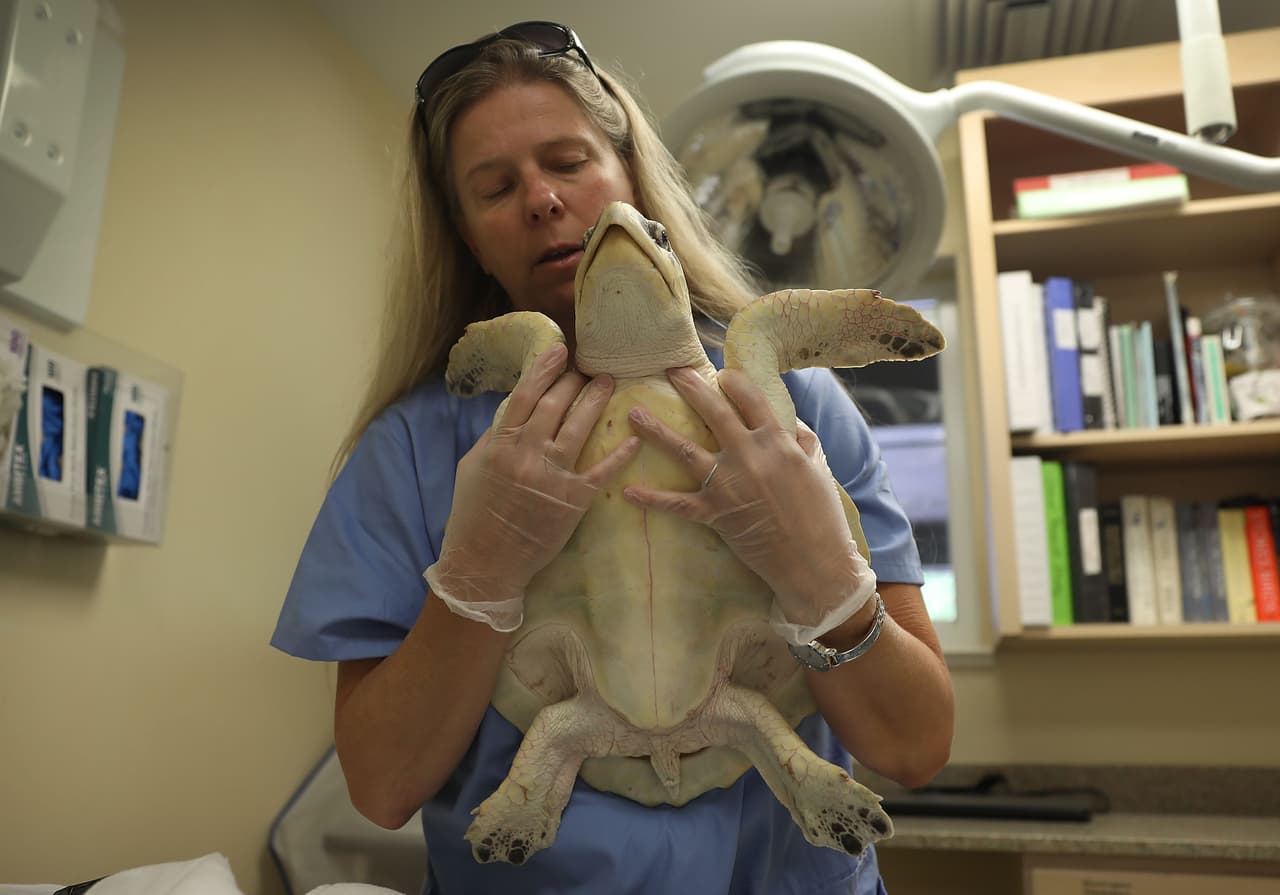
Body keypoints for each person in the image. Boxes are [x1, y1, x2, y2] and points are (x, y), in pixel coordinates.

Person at [272, 20, 954, 895]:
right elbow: (381, 785)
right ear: (467, 232)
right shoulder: (415, 446)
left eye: (567, 161)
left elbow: (915, 747)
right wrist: (477, 573)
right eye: (495, 185)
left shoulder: (793, 399)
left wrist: (822, 574)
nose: (543, 201)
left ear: (631, 172)